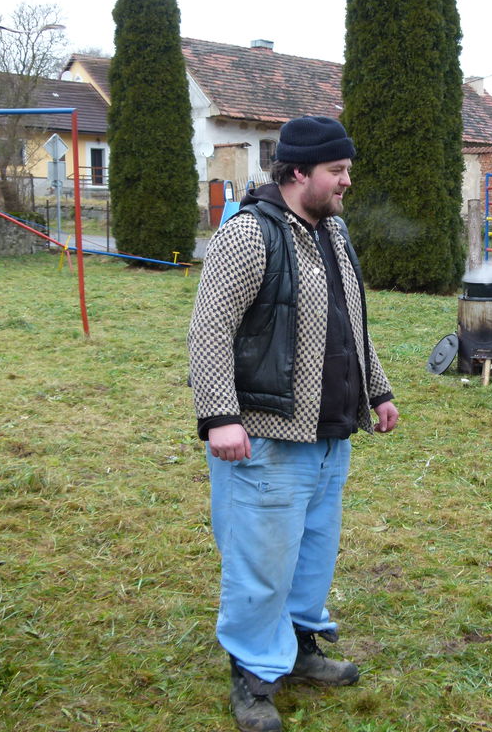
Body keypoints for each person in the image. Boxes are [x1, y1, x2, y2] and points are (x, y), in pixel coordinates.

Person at [187, 115, 398, 732]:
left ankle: (300, 648)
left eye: (348, 169)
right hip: (266, 437)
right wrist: (220, 417)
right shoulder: (248, 235)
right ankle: (254, 675)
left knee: (311, 555)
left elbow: (350, 322)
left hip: (330, 436)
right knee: (261, 563)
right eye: (338, 170)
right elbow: (209, 330)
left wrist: (377, 389)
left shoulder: (333, 231)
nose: (347, 181)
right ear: (299, 172)